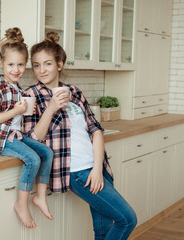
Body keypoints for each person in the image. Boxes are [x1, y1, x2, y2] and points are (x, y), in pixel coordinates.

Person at [24, 32, 137, 239]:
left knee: (103, 228)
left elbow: (96, 130)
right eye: (37, 65)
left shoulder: (74, 92)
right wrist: (50, 108)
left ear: (59, 64)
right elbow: (32, 139)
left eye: (48, 64)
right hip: (76, 171)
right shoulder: (31, 95)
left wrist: (97, 168)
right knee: (127, 219)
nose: (42, 70)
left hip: (97, 167)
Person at [0, 27, 54, 229]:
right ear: (2, 63)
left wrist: (28, 109)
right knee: (32, 159)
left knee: (46, 152)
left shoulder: (18, 88)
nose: (16, 69)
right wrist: (15, 111)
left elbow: (17, 118)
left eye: (20, 64)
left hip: (14, 136)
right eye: (11, 64)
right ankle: (21, 204)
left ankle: (39, 196)